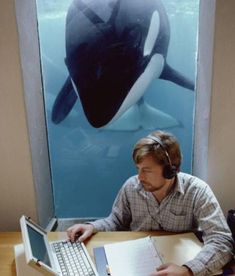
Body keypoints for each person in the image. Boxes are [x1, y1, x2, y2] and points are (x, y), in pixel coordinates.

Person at [67, 131, 234, 275]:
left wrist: (188, 270)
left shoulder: (198, 191)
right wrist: (92, 227)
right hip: (136, 265)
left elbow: (221, 240)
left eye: (146, 170)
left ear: (170, 171)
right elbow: (116, 221)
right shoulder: (131, 186)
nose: (139, 177)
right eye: (138, 169)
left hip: (177, 268)